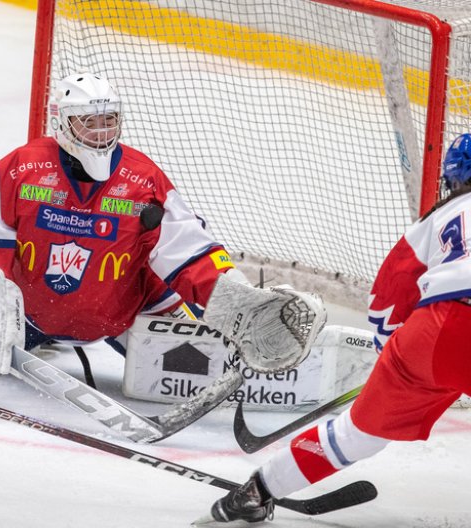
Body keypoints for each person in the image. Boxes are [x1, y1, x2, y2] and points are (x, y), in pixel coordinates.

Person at [198, 133, 471, 525]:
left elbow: (387, 300)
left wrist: (395, 360)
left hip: (425, 336)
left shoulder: (434, 220)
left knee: (356, 434)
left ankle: (258, 490)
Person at [0, 72, 247, 354]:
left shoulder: (144, 180)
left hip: (130, 316)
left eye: (108, 120)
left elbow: (187, 249)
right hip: (28, 316)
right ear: (61, 122)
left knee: (197, 366)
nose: (101, 131)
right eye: (88, 122)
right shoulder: (20, 169)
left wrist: (237, 301)